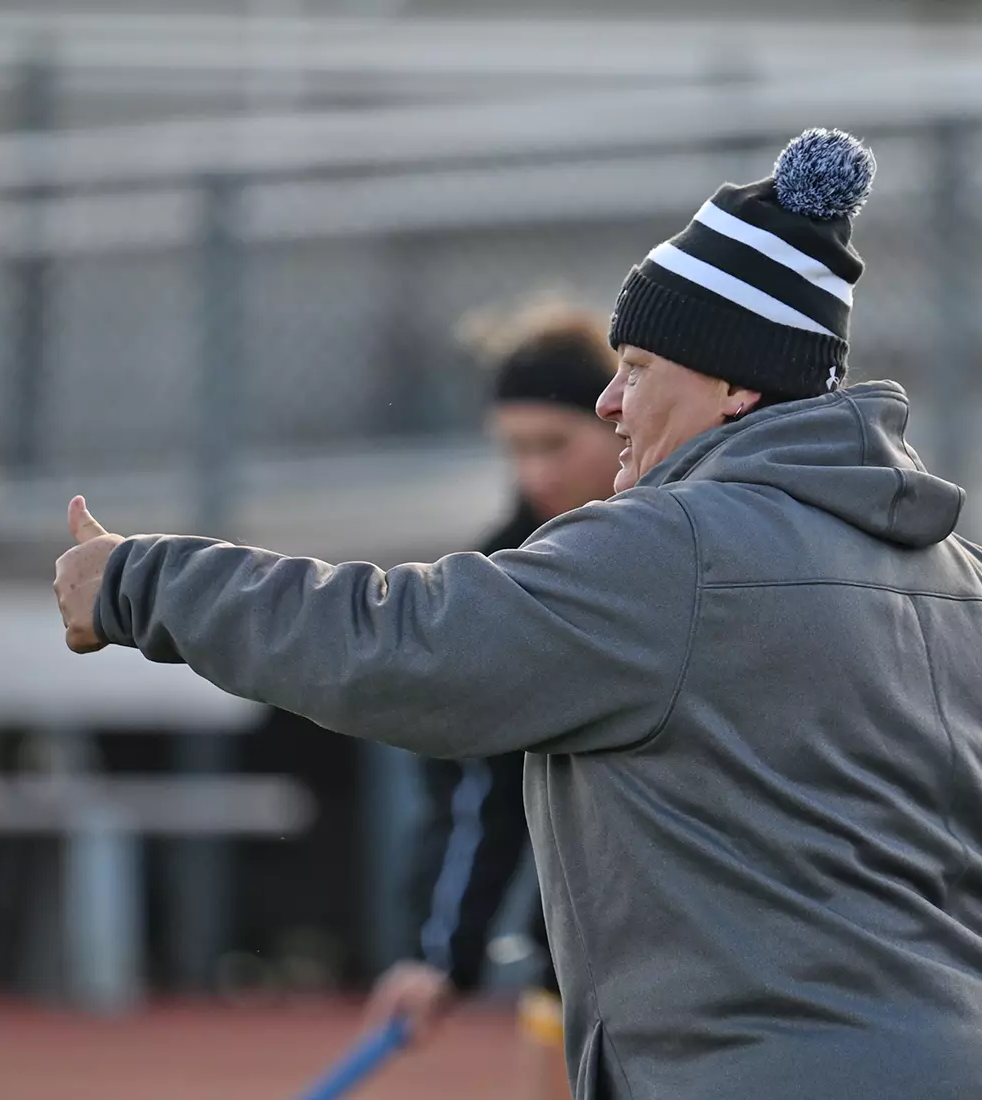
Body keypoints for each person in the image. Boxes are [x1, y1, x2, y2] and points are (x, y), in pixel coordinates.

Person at [55, 128, 982, 1099]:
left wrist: (139, 580)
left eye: (636, 367)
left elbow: (398, 642)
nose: (610, 402)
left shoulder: (664, 553)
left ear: (736, 388)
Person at [364, 300, 619, 1097]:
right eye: (516, 449)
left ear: (619, 422)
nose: (536, 474)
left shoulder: (708, 548)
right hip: (579, 960)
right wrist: (440, 953)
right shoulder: (501, 581)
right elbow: (481, 789)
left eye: (555, 443)